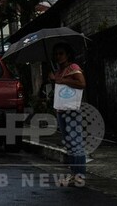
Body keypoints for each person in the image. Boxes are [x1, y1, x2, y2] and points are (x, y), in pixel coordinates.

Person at [48, 42, 87, 187]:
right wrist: (53, 79)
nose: (58, 56)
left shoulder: (73, 67)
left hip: (72, 111)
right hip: (61, 110)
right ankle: (73, 174)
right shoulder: (59, 71)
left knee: (76, 143)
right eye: (56, 54)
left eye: (61, 53)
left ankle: (79, 176)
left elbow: (82, 83)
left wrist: (62, 80)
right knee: (70, 144)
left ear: (68, 54)